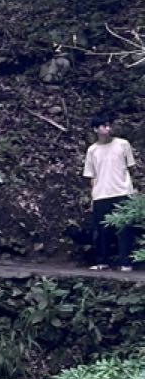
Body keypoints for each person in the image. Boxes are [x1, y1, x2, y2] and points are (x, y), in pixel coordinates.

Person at [82, 114, 136, 270]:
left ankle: (126, 262)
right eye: (104, 126)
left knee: (124, 229)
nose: (108, 128)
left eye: (109, 125)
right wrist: (93, 195)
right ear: (96, 129)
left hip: (122, 191)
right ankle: (101, 261)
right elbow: (91, 175)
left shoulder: (123, 144)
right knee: (101, 230)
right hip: (101, 193)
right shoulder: (92, 150)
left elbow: (131, 167)